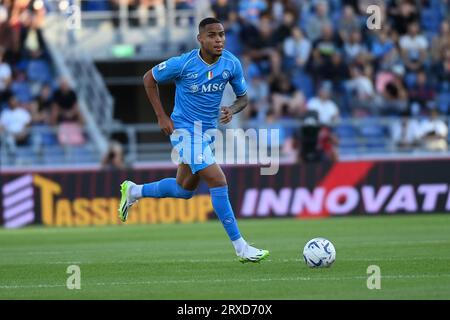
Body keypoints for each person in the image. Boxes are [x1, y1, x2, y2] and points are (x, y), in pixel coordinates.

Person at [118, 17, 269, 263]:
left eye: (221, 34)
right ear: (200, 39)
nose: (219, 39)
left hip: (207, 133)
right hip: (184, 131)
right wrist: (161, 116)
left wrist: (232, 108)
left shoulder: (231, 63)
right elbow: (149, 78)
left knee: (183, 190)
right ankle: (241, 247)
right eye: (212, 35)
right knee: (218, 180)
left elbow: (243, 98)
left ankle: (134, 191)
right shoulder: (184, 63)